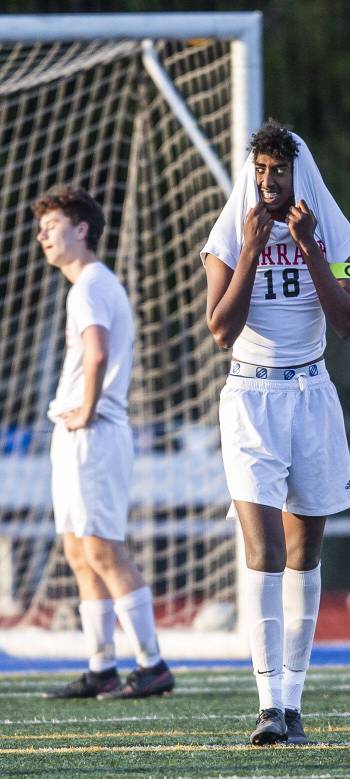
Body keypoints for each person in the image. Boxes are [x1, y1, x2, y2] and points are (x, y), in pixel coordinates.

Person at [202, 120, 350, 745]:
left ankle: (293, 702)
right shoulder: (229, 233)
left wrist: (310, 248)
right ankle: (268, 703)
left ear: (300, 175)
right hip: (250, 395)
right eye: (260, 170)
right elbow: (220, 330)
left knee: (304, 553)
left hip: (312, 395)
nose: (268, 182)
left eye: (279, 171)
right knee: (263, 550)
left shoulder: (330, 232)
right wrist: (250, 249)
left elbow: (347, 321)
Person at [35, 186, 174, 701]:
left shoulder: (90, 284)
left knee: (102, 549)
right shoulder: (86, 285)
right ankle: (101, 666)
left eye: (52, 227)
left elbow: (96, 354)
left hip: (94, 433)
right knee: (77, 549)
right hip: (77, 435)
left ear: (82, 230)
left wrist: (87, 409)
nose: (43, 236)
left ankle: (152, 663)